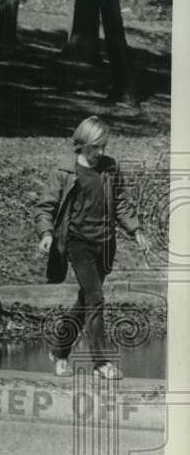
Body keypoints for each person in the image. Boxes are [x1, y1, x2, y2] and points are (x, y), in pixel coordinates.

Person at [35, 116, 149, 380]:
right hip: (78, 243)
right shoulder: (65, 171)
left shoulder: (110, 168)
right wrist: (46, 233)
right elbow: (46, 207)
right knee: (96, 298)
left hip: (106, 244)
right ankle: (101, 363)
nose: (100, 153)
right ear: (81, 144)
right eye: (95, 147)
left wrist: (135, 229)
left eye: (104, 146)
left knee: (86, 300)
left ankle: (60, 350)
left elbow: (120, 202)